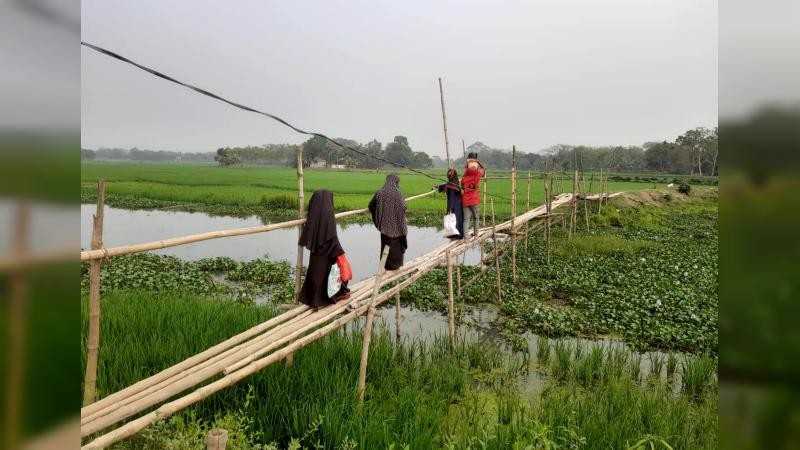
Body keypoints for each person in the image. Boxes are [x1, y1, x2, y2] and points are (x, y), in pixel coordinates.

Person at [298, 190, 351, 309]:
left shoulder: (314, 213)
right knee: (329, 274)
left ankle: (313, 299)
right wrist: (339, 251)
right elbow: (332, 235)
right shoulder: (328, 213)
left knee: (315, 273)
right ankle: (326, 298)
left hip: (316, 249)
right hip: (328, 250)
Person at [368, 173, 408, 270]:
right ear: (396, 182)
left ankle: (386, 267)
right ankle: (396, 266)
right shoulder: (399, 193)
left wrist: (380, 214)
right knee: (396, 248)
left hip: (385, 227)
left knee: (386, 247)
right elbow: (404, 207)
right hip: (398, 226)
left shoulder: (380, 193)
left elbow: (371, 206)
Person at [434, 168, 464, 239]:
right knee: (457, 219)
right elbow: (445, 185)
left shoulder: (451, 185)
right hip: (458, 205)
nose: (449, 176)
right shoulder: (455, 182)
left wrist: (450, 208)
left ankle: (455, 235)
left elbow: (451, 197)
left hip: (453, 205)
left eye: (449, 175)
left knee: (453, 219)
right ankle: (459, 234)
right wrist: (437, 187)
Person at [461, 152, 485, 240]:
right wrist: (478, 161)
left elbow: (462, 186)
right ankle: (476, 236)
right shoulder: (477, 174)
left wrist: (467, 166)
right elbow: (483, 169)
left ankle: (466, 238)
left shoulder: (464, 177)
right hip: (474, 200)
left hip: (465, 200)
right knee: (476, 218)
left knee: (466, 220)